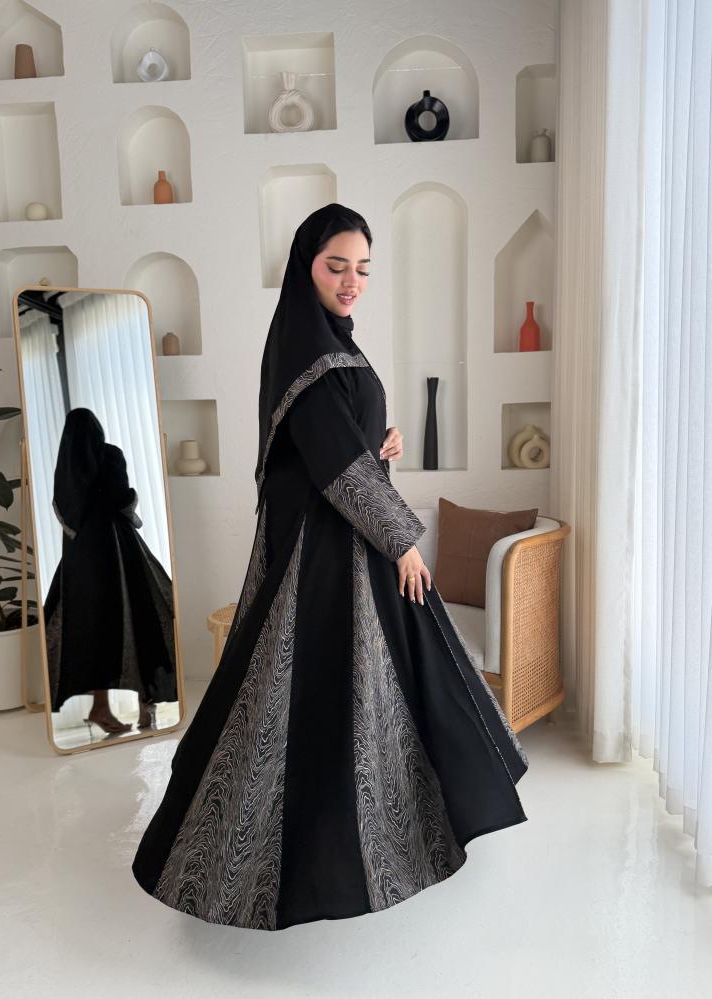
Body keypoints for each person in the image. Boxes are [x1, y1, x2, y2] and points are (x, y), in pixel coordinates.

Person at [131, 203, 529, 930]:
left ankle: (389, 837)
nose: (352, 282)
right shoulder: (307, 349)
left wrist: (380, 440)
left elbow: (341, 444)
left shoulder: (323, 341)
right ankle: (289, 863)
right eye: (336, 266)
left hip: (348, 542)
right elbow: (335, 467)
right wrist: (403, 540)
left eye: (363, 269)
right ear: (305, 267)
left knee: (364, 692)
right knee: (307, 703)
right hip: (326, 556)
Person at [44, 407, 177, 733]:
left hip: (80, 557)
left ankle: (100, 708)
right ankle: (145, 706)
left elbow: (65, 510)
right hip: (115, 548)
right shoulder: (110, 455)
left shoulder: (67, 467)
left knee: (92, 628)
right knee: (139, 618)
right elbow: (122, 498)